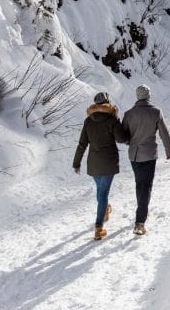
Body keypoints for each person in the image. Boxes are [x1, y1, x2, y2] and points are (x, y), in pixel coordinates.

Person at [73, 91, 127, 240]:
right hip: (108, 162)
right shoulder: (112, 119)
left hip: (94, 163)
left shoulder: (88, 120)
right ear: (108, 102)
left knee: (100, 190)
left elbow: (82, 143)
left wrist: (76, 163)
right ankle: (98, 227)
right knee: (102, 193)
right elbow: (121, 139)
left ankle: (105, 211)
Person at [122, 84, 170, 235]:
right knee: (146, 186)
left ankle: (142, 210)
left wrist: (129, 142)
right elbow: (164, 132)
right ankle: (140, 222)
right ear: (149, 96)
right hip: (150, 154)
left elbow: (124, 135)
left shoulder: (129, 114)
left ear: (137, 96)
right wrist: (168, 151)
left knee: (140, 184)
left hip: (134, 155)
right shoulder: (156, 112)